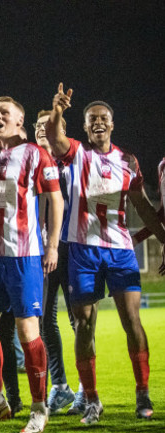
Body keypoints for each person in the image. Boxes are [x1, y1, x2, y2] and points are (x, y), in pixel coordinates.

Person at [45, 84, 165, 424]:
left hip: (119, 250)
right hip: (83, 251)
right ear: (84, 127)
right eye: (92, 119)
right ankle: (93, 400)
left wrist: (164, 239)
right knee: (84, 325)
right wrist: (58, 110)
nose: (98, 122)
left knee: (132, 321)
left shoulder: (128, 161)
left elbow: (143, 204)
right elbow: (54, 138)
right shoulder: (76, 153)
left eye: (104, 118)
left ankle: (142, 393)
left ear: (112, 124)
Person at [0, 95, 64, 433]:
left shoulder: (36, 153)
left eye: (4, 113)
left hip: (24, 257)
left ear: (19, 121)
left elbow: (56, 198)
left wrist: (51, 246)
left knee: (27, 332)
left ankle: (39, 408)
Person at [34, 110, 78, 414]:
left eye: (48, 125)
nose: (41, 130)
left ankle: (89, 390)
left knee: (80, 320)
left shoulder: (75, 162)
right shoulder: (30, 162)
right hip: (40, 251)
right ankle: (61, 387)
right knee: (44, 319)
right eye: (37, 126)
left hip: (73, 248)